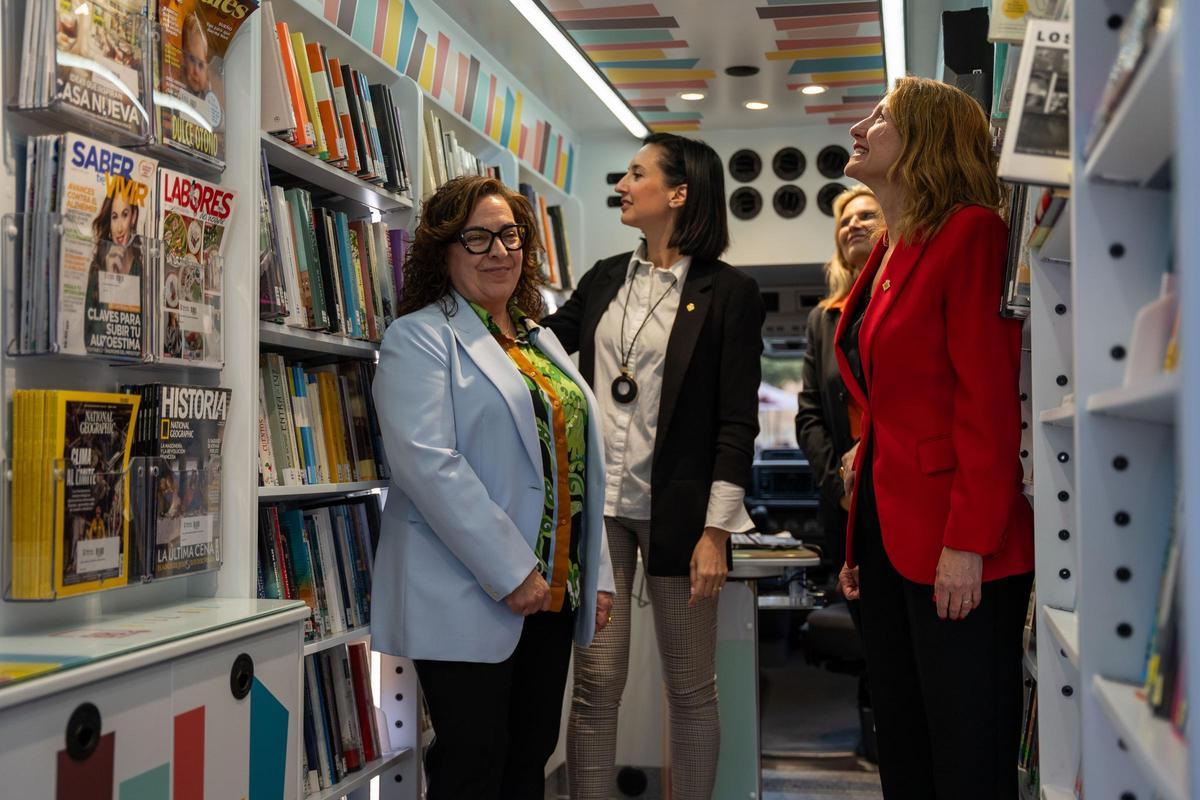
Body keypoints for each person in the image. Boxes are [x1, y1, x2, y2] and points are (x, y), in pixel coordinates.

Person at [369, 175, 615, 800]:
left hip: (553, 592)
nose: (498, 251)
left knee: (529, 758)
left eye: (509, 235)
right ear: (443, 251)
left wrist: (597, 573)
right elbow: (428, 463)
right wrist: (511, 570)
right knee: (471, 765)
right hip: (467, 589)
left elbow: (575, 464)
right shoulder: (420, 337)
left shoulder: (539, 339)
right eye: (476, 238)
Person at [543, 132, 764, 800]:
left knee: (690, 688)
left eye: (635, 174)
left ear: (678, 193)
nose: (621, 185)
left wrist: (717, 533)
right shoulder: (607, 277)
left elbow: (736, 422)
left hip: (683, 516)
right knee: (595, 687)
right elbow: (547, 348)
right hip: (601, 512)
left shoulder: (729, 292)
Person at [835, 76, 1035, 798]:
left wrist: (969, 543)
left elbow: (987, 401)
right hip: (893, 539)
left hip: (959, 541)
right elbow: (881, 418)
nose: (860, 127)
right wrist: (860, 543)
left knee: (966, 755)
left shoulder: (971, 232)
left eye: (881, 117)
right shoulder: (890, 250)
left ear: (923, 138)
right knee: (907, 743)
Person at [796, 185, 881, 571]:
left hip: (897, 481)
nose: (853, 225)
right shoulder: (824, 319)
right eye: (844, 222)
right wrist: (838, 488)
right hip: (844, 495)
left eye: (865, 216)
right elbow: (810, 415)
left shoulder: (906, 298)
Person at [181, 12, 210, 97]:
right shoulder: (177, 85)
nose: (196, 71)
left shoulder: (207, 95)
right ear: (183, 58)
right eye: (192, 60)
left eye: (201, 65)